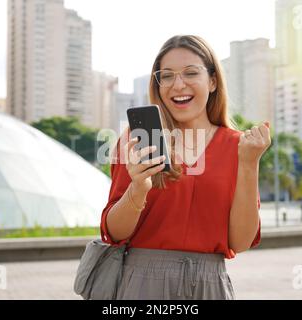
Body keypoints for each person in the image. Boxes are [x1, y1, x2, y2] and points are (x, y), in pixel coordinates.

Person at [100, 35, 271, 300]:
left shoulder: (239, 147)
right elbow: (113, 232)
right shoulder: (138, 138)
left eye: (191, 73)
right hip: (143, 285)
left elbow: (241, 242)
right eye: (166, 76)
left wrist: (249, 165)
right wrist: (137, 188)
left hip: (210, 285)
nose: (178, 85)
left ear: (213, 81)